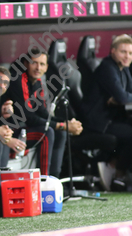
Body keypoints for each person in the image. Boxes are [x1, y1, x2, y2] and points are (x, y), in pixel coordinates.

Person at [81, 35, 132, 190]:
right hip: (98, 122)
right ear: (113, 51)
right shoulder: (107, 67)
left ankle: (118, 169)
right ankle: (116, 170)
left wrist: (131, 97)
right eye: (123, 52)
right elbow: (125, 96)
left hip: (111, 118)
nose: (127, 56)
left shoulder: (123, 67)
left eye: (131, 53)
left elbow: (129, 92)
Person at [5, 48, 83, 177]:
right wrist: (62, 125)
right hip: (11, 132)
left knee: (60, 133)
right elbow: (29, 116)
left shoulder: (38, 81)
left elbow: (42, 112)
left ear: (46, 67)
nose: (38, 68)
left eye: (42, 64)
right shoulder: (18, 80)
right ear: (25, 64)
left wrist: (65, 123)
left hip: (24, 129)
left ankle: (55, 177)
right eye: (34, 63)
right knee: (47, 132)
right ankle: (44, 179)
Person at [0, 66, 26, 168]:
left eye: (5, 83)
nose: (1, 85)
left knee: (3, 140)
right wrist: (6, 138)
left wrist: (6, 116)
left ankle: (1, 177)